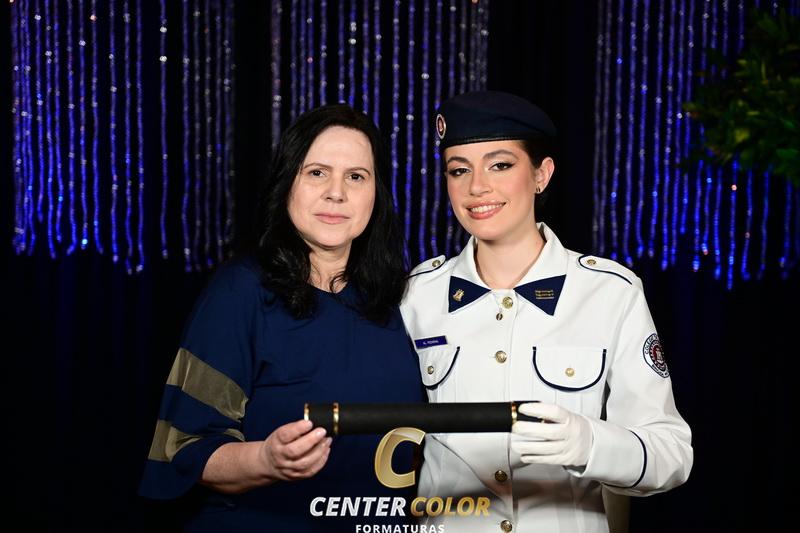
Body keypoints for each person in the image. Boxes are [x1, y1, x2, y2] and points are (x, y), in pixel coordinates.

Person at [401, 91, 693, 533]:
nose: (476, 187)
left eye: (500, 165)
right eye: (459, 170)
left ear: (542, 174)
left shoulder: (610, 293)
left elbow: (672, 454)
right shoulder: (416, 295)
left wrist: (589, 443)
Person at [139, 104, 424, 531]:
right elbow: (184, 447)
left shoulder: (407, 299)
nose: (336, 193)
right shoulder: (239, 292)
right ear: (287, 181)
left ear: (376, 194)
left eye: (356, 176)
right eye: (317, 173)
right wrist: (266, 459)